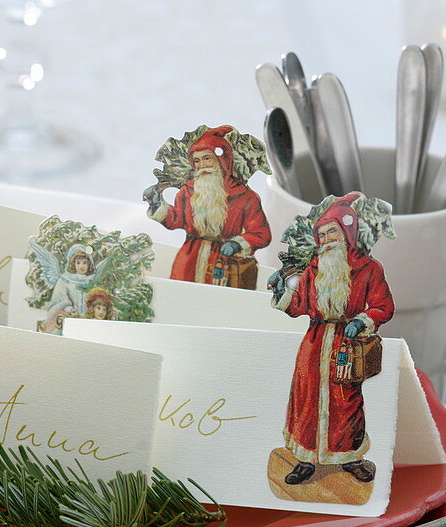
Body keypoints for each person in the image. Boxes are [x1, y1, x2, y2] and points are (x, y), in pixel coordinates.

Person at [271, 196, 395, 486]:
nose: (326, 239)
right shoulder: (314, 269)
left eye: (332, 232)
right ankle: (305, 459)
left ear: (346, 233)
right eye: (322, 234)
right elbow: (299, 306)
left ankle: (350, 456)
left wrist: (362, 320)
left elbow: (383, 306)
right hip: (314, 345)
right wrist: (282, 293)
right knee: (307, 399)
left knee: (347, 400)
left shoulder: (370, 269)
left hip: (346, 346)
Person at [143, 126, 271, 286]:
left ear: (222, 160)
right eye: (196, 161)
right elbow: (176, 220)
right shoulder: (187, 192)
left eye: (207, 158)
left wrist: (238, 243)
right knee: (183, 296)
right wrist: (157, 204)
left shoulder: (245, 197)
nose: (202, 165)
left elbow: (261, 233)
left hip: (226, 264)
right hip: (189, 259)